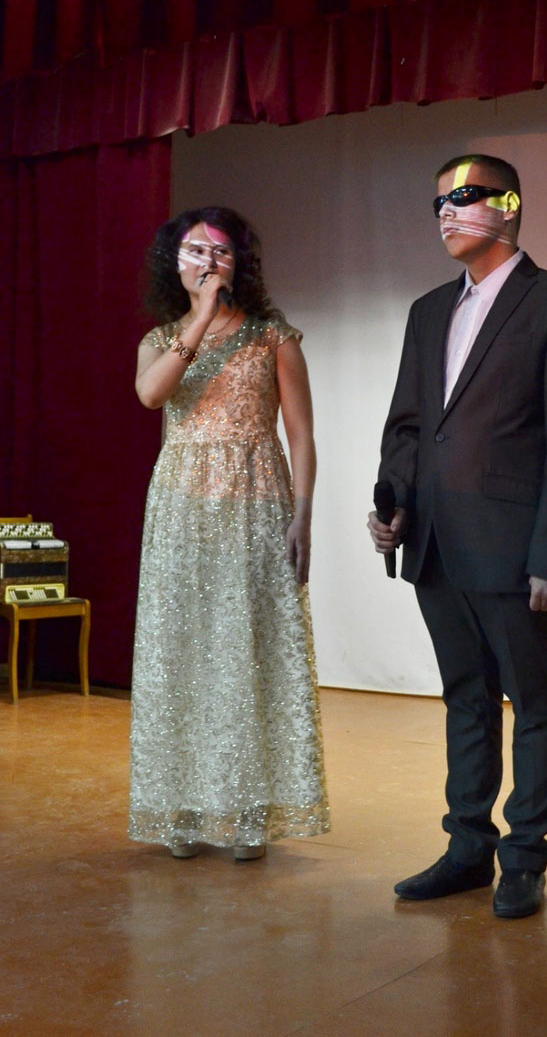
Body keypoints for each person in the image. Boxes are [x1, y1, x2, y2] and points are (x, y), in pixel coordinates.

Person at [368, 155, 547, 917]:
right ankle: (466, 848)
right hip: (435, 543)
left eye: (464, 197)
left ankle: (524, 859)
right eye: (438, 202)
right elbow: (409, 426)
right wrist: (393, 502)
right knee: (464, 700)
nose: (446, 211)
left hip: (514, 549)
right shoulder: (427, 311)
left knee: (533, 703)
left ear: (508, 206)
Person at [129, 206, 329, 860]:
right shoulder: (160, 339)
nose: (208, 261)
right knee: (182, 654)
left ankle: (249, 811)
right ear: (174, 261)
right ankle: (183, 807)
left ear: (240, 262)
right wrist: (200, 320)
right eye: (195, 249)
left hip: (255, 503)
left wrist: (303, 514)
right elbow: (151, 396)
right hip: (181, 511)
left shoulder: (274, 338)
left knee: (247, 652)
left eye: (220, 251)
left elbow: (301, 435)